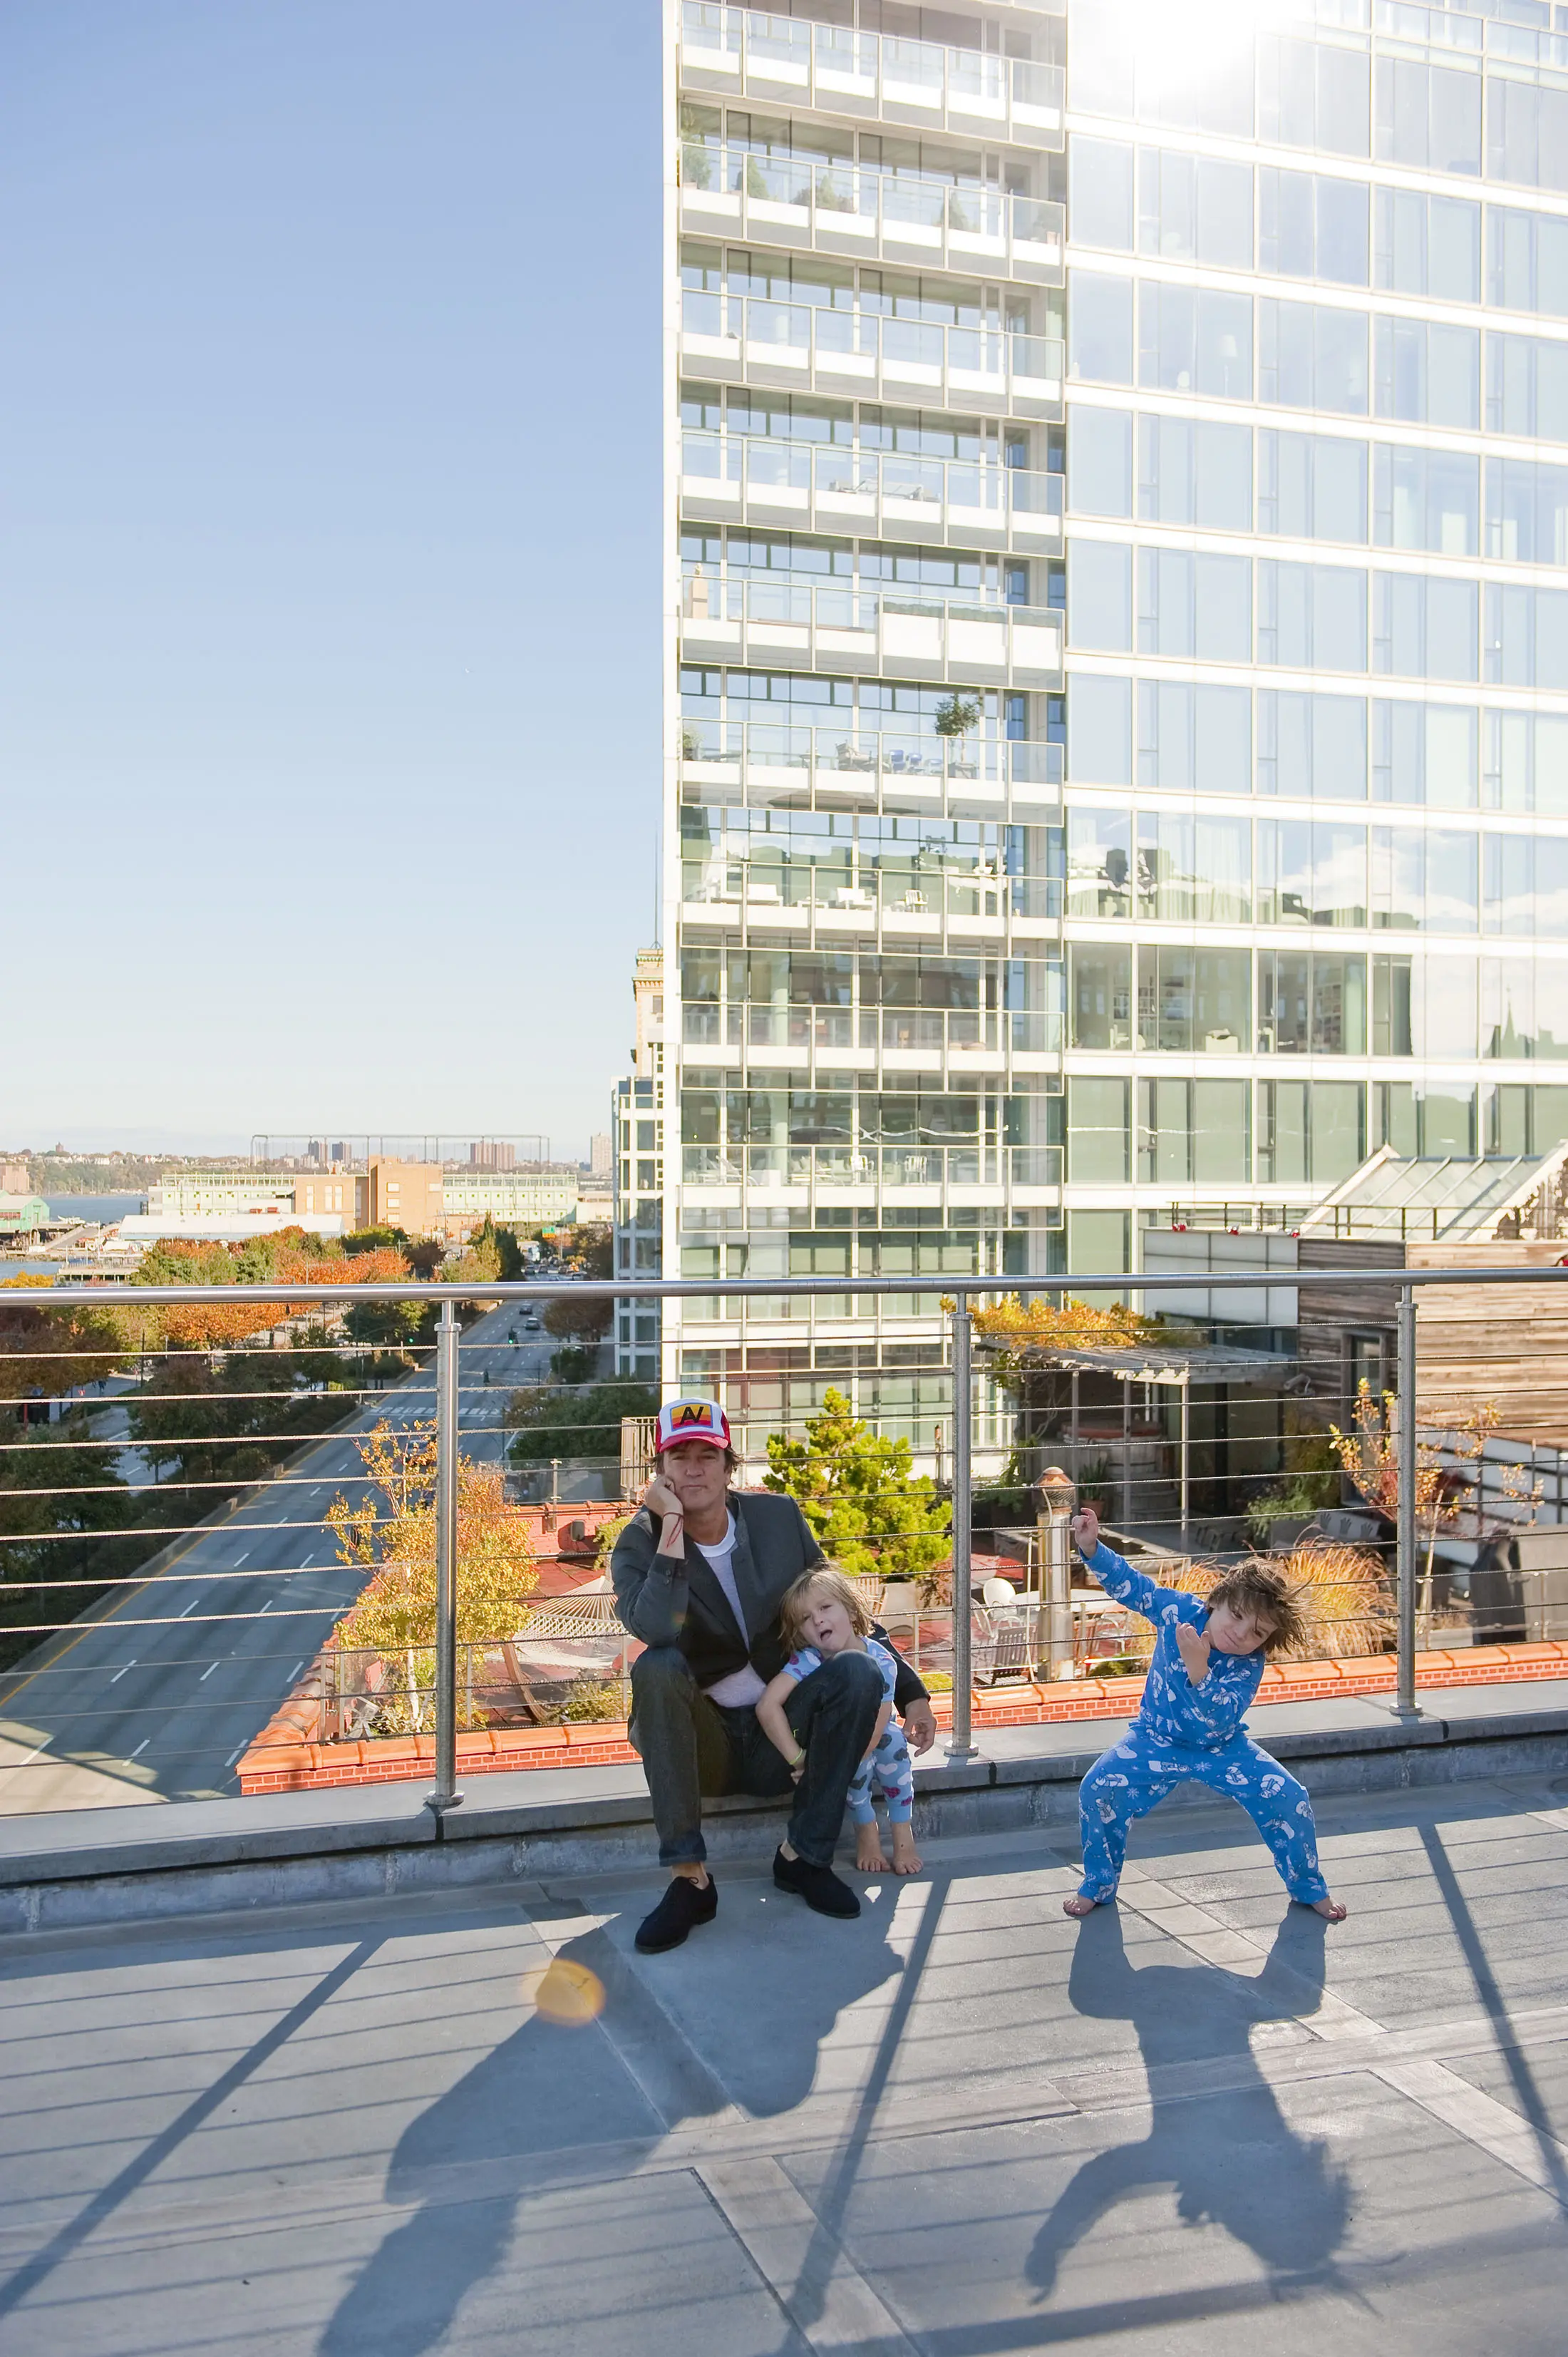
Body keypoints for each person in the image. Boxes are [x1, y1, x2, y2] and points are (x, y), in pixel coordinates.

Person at [612, 1396, 937, 1953]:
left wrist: (910, 1690)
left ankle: (802, 1858)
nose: (694, 1468)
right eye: (679, 1456)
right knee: (657, 1666)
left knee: (857, 1672)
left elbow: (837, 1611)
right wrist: (669, 1528)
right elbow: (657, 1629)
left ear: (729, 1464)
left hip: (780, 1737)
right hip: (704, 1747)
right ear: (660, 1471)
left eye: (707, 1455)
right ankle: (690, 1881)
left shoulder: (778, 1518)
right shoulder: (637, 1543)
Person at [1063, 1504, 1347, 1924]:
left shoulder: (1249, 1664)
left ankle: (1308, 1887)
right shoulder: (1179, 1612)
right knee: (1096, 1789)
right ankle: (1098, 1883)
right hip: (1155, 1738)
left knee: (1291, 1799)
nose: (1240, 1634)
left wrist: (1200, 1669)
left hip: (1221, 1748)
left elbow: (1222, 1715)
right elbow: (1133, 1586)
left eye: (1258, 1633)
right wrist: (1092, 1548)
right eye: (1236, 1616)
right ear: (1217, 1602)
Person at [756, 1566, 922, 1878]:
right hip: (832, 1743)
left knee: (893, 1743)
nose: (817, 1619)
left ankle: (903, 1835)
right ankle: (866, 1831)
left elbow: (879, 1722)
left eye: (825, 1607)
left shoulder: (882, 1659)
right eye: (806, 1618)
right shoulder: (807, 1661)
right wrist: (801, 1760)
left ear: (849, 1607)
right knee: (853, 1765)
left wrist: (839, 1764)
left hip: (870, 1737)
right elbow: (767, 1705)